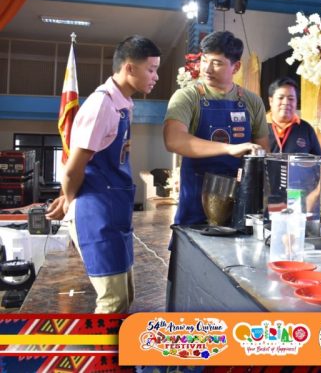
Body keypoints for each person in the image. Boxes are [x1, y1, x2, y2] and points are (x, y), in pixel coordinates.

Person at [45, 35, 161, 313]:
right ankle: (100, 344)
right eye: (151, 69)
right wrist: (68, 200)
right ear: (129, 68)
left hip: (114, 210)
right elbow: (73, 169)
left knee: (125, 297)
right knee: (112, 302)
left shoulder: (124, 103)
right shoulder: (102, 106)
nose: (156, 77)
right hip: (97, 213)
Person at [163, 31, 269, 227]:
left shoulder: (252, 102)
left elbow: (262, 152)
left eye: (217, 63)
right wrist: (229, 148)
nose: (207, 68)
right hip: (195, 202)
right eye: (204, 60)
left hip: (239, 202)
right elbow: (173, 140)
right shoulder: (188, 97)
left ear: (236, 67)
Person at [267, 77, 321, 155]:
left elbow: (319, 160)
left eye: (291, 99)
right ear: (271, 101)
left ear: (296, 102)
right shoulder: (258, 127)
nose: (286, 102)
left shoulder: (306, 129)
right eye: (281, 98)